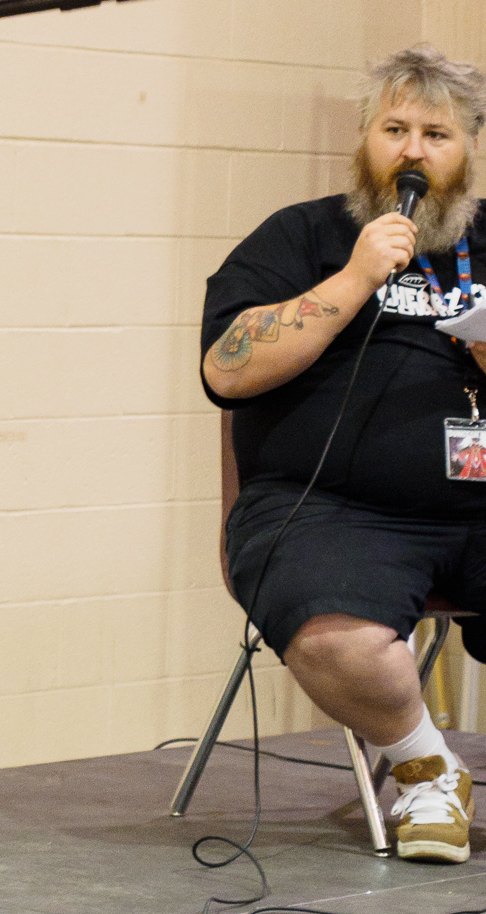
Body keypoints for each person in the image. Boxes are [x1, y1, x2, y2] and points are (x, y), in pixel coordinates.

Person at [201, 44, 486, 865]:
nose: (412, 151)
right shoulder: (302, 236)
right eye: (394, 130)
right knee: (333, 636)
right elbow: (226, 369)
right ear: (365, 140)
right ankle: (426, 769)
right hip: (334, 511)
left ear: (467, 149)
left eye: (436, 134)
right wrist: (355, 277)